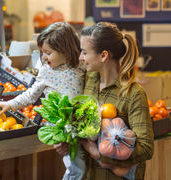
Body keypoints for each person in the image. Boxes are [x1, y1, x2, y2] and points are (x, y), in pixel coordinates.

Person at [54, 22, 154, 180]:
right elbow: (84, 127)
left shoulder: (133, 93)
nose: (80, 57)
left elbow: (146, 149)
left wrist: (101, 154)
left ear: (103, 55)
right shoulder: (89, 79)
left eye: (85, 53)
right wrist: (68, 141)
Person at [0, 22, 86, 179]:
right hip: (61, 126)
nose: (43, 57)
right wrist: (10, 104)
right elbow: (31, 94)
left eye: (48, 53)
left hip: (81, 123)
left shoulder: (80, 66)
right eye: (42, 52)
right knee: (76, 167)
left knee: (83, 165)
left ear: (65, 50)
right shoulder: (46, 71)